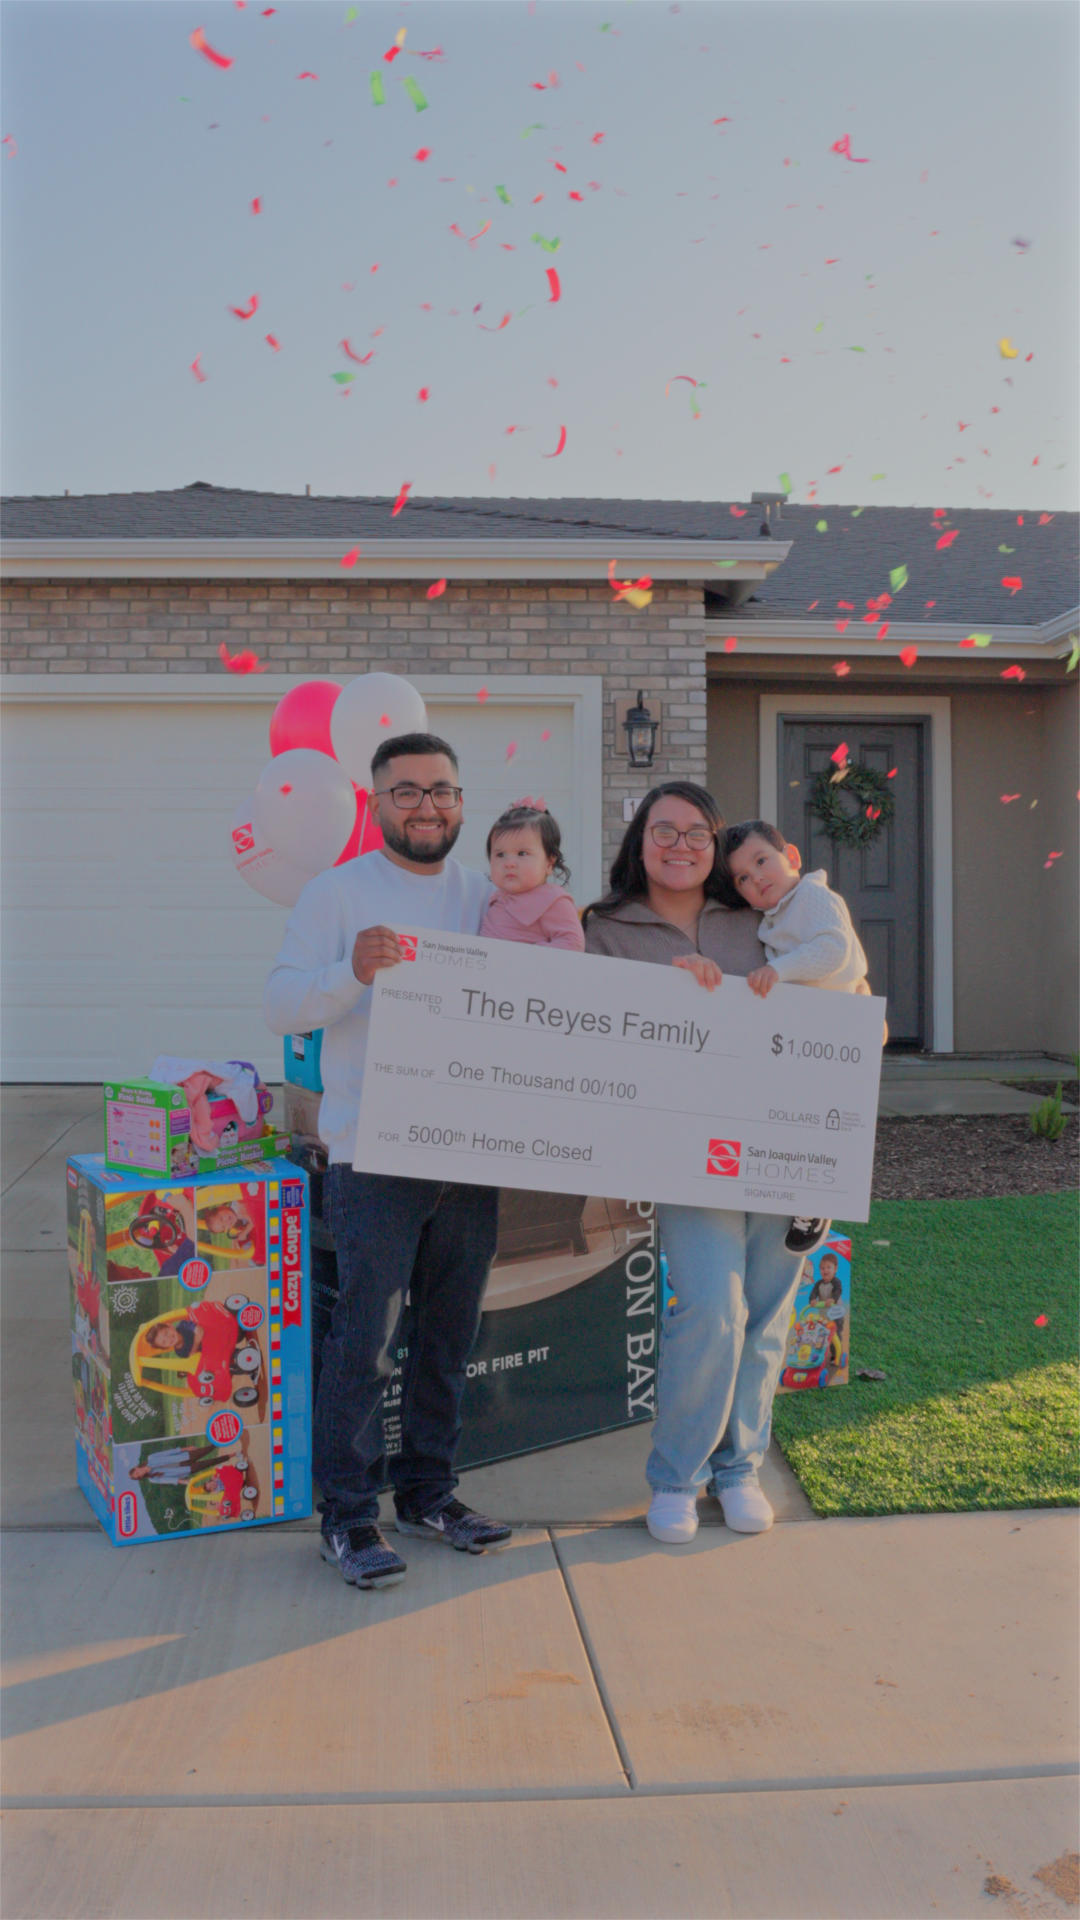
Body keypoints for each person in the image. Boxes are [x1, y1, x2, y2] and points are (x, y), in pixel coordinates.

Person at [263, 732, 512, 1590]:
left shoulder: (488, 894)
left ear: (460, 800)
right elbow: (280, 1000)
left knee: (448, 1337)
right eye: (406, 792)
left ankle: (431, 1494)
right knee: (363, 1344)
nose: (426, 805)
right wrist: (352, 971)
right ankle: (346, 1516)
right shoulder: (337, 894)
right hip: (372, 1155)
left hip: (468, 1153)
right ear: (377, 807)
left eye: (441, 790)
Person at [582, 781, 805, 1546]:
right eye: (664, 831)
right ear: (638, 841)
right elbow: (588, 1031)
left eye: (697, 835)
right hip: (686, 1150)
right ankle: (677, 1475)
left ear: (715, 848)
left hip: (783, 1136)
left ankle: (739, 1468)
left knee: (769, 1315)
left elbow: (828, 981)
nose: (680, 846)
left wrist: (856, 1025)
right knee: (712, 1307)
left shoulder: (759, 914)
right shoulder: (603, 928)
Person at [722, 819, 870, 1257]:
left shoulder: (811, 896)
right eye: (743, 878)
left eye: (762, 861)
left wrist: (777, 971)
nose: (756, 879)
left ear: (792, 857)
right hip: (802, 1033)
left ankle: (817, 1198)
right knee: (794, 1115)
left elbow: (833, 949)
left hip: (833, 1028)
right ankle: (798, 1184)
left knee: (820, 1117)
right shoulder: (772, 917)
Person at [480, 801, 585, 950]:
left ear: (549, 863)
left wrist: (530, 957)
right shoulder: (496, 896)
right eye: (500, 854)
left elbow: (572, 942)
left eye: (522, 853)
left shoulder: (553, 900)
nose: (509, 863)